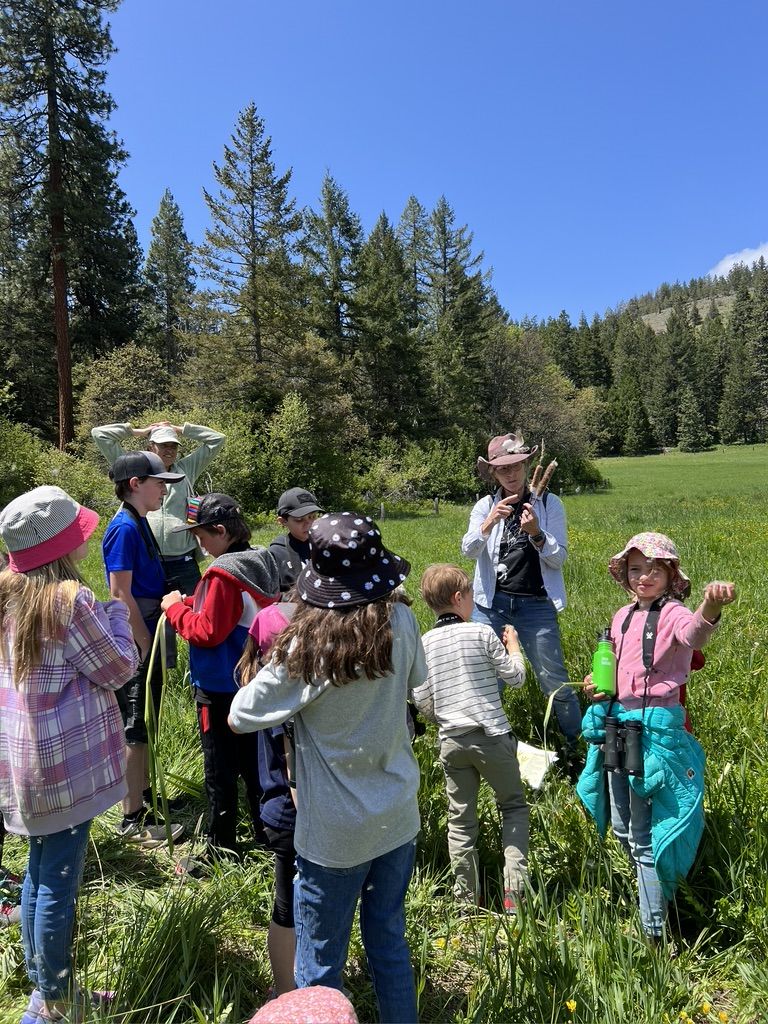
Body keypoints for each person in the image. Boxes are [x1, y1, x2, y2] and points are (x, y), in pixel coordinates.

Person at [230, 513, 425, 1024]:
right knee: (388, 941)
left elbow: (241, 713)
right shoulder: (401, 620)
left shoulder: (306, 646)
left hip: (334, 831)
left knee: (319, 964)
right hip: (397, 812)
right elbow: (417, 682)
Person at [0, 486, 138, 1022]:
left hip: (20, 758)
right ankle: (52, 1003)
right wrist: (118, 615)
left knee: (39, 867)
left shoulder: (9, 592)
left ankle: (43, 988)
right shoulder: (71, 600)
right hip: (64, 764)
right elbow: (118, 668)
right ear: (62, 543)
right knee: (59, 879)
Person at [576, 532, 736, 943]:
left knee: (647, 834)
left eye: (654, 569)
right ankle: (650, 903)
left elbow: (695, 635)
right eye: (635, 569)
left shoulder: (674, 614)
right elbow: (613, 672)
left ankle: (654, 935)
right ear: (625, 575)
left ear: (670, 574)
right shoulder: (620, 616)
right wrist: (596, 685)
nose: (644, 576)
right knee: (623, 828)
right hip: (618, 723)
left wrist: (711, 605)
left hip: (657, 730)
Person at [161, 494, 280, 861]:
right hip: (251, 681)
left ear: (220, 530)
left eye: (200, 535)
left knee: (219, 770)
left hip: (218, 685)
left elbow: (207, 631)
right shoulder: (260, 559)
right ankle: (268, 835)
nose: (197, 542)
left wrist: (174, 609)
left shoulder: (222, 574)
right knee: (255, 765)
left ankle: (220, 848)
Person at [461, 431, 582, 772]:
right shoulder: (485, 506)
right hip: (491, 604)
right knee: (487, 677)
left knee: (553, 678)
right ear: (493, 473)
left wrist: (537, 535)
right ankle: (488, 749)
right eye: (503, 469)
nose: (511, 474)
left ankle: (576, 747)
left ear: (527, 465)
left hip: (535, 605)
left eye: (517, 466)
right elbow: (467, 550)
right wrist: (488, 523)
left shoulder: (548, 504)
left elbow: (558, 559)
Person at [412, 564, 529, 914]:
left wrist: (444, 716)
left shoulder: (423, 643)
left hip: (452, 741)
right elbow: (516, 679)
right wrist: (514, 647)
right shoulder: (481, 633)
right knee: (513, 807)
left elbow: (421, 699)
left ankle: (466, 899)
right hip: (491, 735)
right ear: (459, 598)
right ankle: (514, 896)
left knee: (461, 821)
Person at [102, 452, 185, 846]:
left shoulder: (139, 522)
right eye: (159, 482)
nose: (164, 489)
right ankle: (131, 818)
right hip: (139, 634)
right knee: (136, 725)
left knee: (148, 718)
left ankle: (144, 798)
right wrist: (145, 641)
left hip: (149, 625)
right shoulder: (124, 529)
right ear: (135, 483)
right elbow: (119, 593)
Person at [237, 597, 298, 996]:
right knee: (293, 908)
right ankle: (291, 992)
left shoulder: (259, 693)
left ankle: (284, 992)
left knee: (285, 906)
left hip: (275, 814)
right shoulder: (284, 701)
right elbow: (294, 775)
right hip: (295, 816)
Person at [92, 418, 226, 594]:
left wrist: (181, 429)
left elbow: (218, 439)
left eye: (173, 445)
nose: (169, 450)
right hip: (146, 560)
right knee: (150, 614)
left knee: (192, 613)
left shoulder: (186, 469)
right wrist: (138, 431)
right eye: (163, 445)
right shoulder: (133, 467)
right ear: (150, 447)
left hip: (183, 561)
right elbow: (100, 434)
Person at [269, 488, 324, 593]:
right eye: (299, 519)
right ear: (283, 521)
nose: (308, 524)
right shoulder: (276, 554)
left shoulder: (324, 544)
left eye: (312, 517)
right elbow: (274, 594)